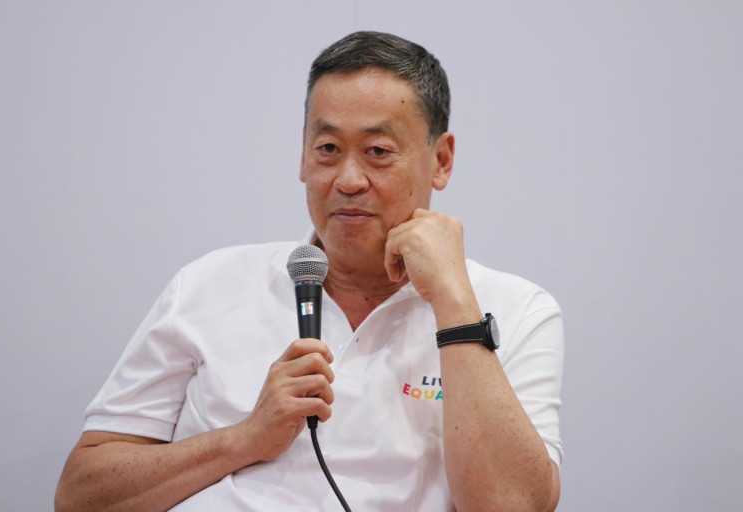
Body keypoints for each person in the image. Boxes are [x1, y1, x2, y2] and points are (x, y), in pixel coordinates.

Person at [55, 31, 563, 511]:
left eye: (378, 152)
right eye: (328, 150)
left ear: (442, 160)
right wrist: (245, 439)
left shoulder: (517, 309)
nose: (348, 180)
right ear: (303, 156)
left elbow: (514, 505)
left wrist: (455, 306)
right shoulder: (209, 284)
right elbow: (81, 495)